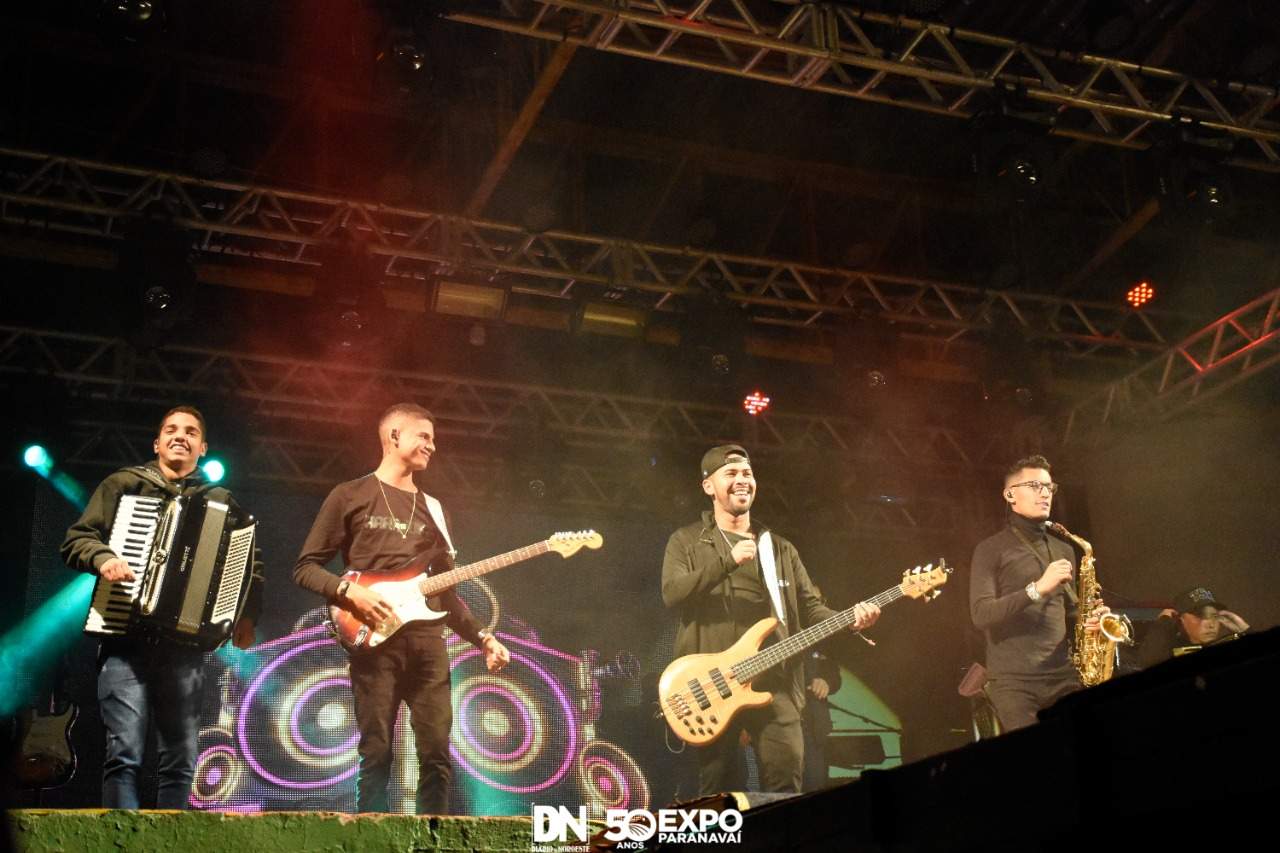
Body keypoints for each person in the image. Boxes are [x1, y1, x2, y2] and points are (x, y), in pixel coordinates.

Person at [292, 402, 509, 814]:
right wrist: (349, 592)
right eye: (423, 436)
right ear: (394, 436)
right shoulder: (349, 495)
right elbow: (305, 568)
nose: (432, 445)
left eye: (433, 438)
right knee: (376, 752)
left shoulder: (436, 510)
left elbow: (446, 592)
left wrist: (483, 637)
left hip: (428, 642)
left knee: (437, 753)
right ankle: (369, 835)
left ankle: (432, 837)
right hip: (373, 640)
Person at [61, 405, 263, 809]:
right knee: (123, 755)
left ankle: (171, 839)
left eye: (190, 432)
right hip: (125, 638)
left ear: (202, 448)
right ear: (157, 443)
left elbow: (250, 566)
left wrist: (246, 615)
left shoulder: (221, 502)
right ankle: (122, 838)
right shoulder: (125, 484)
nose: (180, 436)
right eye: (171, 429)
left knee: (181, 762)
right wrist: (104, 558)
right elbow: (77, 539)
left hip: (185, 648)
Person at [661, 444, 879, 795]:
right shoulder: (686, 541)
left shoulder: (779, 549)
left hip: (774, 681)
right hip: (713, 686)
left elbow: (809, 609)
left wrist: (850, 619)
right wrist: (727, 561)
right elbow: (672, 593)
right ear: (708, 486)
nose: (742, 480)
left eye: (747, 473)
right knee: (717, 789)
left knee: (785, 782)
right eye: (731, 473)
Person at [968, 454, 1109, 732]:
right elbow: (981, 614)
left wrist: (1090, 622)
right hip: (1014, 684)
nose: (1045, 493)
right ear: (1010, 495)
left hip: (1064, 677)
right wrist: (1037, 588)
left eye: (1049, 487)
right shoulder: (989, 549)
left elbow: (1070, 611)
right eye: (1034, 486)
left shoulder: (1065, 548)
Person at [1134, 586, 1249, 668]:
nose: (1211, 624)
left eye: (1215, 616)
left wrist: (1245, 630)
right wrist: (1163, 624)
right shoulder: (1166, 651)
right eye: (1201, 615)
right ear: (1179, 618)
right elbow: (1147, 663)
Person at [801, 649, 842, 792]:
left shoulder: (819, 644)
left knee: (814, 785)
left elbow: (834, 676)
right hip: (773, 728)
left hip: (813, 729)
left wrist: (826, 682)